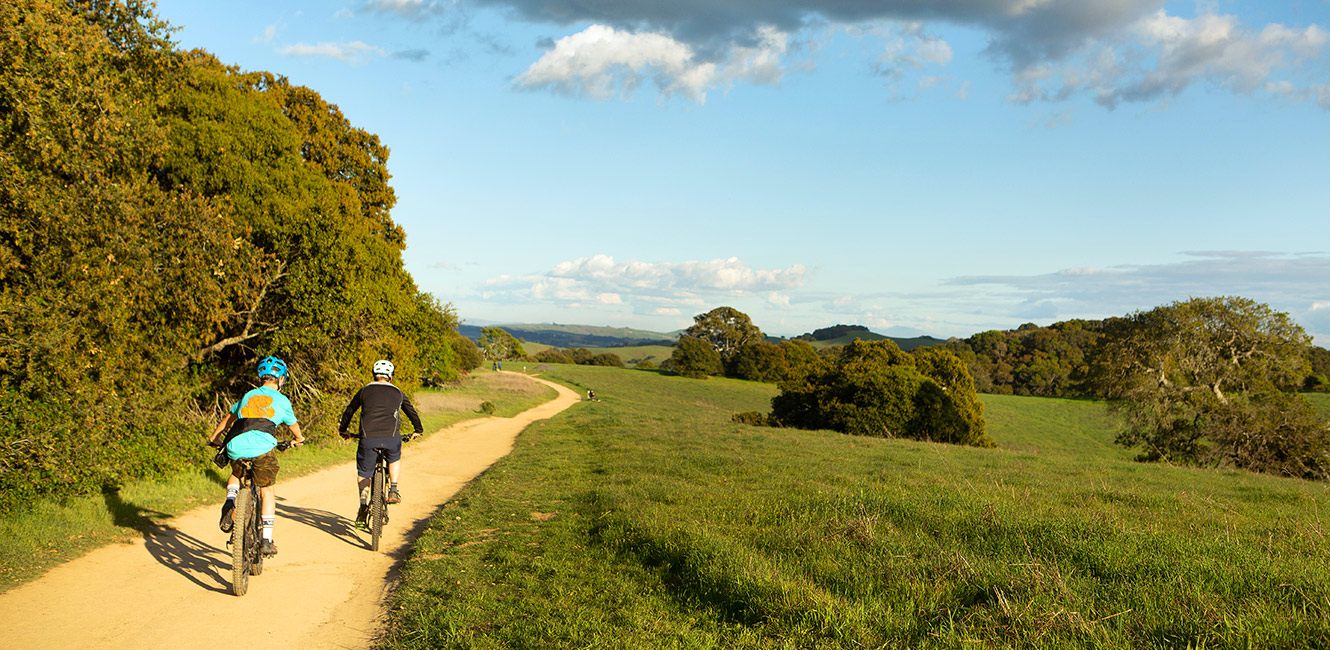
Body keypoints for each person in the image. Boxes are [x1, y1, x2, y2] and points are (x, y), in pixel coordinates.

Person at [208, 356, 305, 557]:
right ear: (281, 379)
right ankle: (266, 540)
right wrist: (298, 438)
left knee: (237, 471)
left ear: (260, 377)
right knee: (267, 491)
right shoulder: (282, 400)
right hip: (262, 447)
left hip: (236, 444)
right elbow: (293, 426)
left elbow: (229, 418)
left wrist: (215, 438)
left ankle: (230, 500)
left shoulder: (248, 395)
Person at [339, 359, 424, 528]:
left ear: (373, 374)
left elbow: (350, 410)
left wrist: (344, 429)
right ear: (391, 377)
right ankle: (393, 488)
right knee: (394, 458)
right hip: (391, 439)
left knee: (364, 471)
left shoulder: (364, 391)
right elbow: (411, 411)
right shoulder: (398, 393)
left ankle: (363, 506)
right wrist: (418, 430)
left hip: (367, 439)